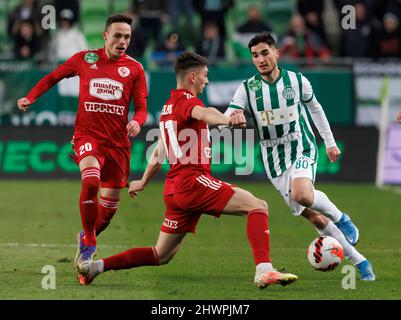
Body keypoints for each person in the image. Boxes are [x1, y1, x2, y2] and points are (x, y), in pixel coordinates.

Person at [76, 52, 298, 288]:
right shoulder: (187, 102)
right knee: (257, 206)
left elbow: (160, 152)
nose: (207, 81)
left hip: (175, 190)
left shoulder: (168, 107)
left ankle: (94, 268)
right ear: (193, 77)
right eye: (205, 76)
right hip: (193, 182)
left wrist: (143, 180)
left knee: (161, 254)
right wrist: (226, 119)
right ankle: (264, 270)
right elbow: (205, 113)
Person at [222, 32, 375, 281]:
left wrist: (330, 142)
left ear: (276, 53)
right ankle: (360, 261)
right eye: (254, 55)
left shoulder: (296, 81)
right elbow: (230, 113)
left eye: (264, 53)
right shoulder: (247, 89)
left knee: (302, 193)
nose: (260, 59)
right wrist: (232, 118)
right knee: (313, 215)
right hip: (274, 160)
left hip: (301, 146)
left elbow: (315, 108)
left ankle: (340, 217)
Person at [16, 14, 148, 271]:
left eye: (127, 37)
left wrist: (138, 122)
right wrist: (31, 97)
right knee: (90, 181)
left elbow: (142, 108)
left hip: (117, 145)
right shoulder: (86, 59)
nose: (122, 41)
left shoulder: (135, 69)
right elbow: (53, 77)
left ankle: (87, 235)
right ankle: (88, 243)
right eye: (118, 35)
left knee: (108, 210)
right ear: (105, 36)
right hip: (88, 137)